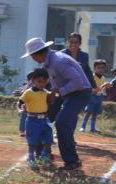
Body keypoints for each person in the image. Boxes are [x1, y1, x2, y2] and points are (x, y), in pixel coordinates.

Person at [22, 38, 91, 171]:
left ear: (37, 54)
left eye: (31, 55)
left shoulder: (58, 61)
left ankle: (72, 161)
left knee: (62, 123)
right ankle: (44, 155)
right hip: (65, 92)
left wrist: (58, 93)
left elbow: (77, 82)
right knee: (41, 115)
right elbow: (45, 81)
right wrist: (30, 96)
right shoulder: (48, 62)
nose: (32, 58)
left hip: (80, 93)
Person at [18, 68, 53, 170]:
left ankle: (43, 157)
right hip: (32, 120)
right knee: (32, 142)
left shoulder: (46, 92)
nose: (42, 84)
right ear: (33, 81)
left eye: (44, 81)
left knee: (48, 140)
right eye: (39, 81)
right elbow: (20, 102)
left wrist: (55, 92)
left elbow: (52, 98)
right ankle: (31, 158)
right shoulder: (28, 92)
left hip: (45, 120)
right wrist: (20, 109)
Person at [80, 59, 107, 133]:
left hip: (99, 96)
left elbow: (102, 88)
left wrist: (105, 87)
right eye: (99, 67)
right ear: (94, 68)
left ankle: (92, 128)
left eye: (103, 68)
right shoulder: (91, 76)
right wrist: (94, 90)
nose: (101, 69)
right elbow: (89, 86)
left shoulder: (103, 78)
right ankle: (83, 126)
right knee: (89, 111)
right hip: (92, 96)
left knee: (95, 112)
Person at [15, 71, 35, 137]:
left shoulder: (31, 85)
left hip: (33, 106)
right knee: (24, 116)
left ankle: (23, 131)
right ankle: (23, 131)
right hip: (28, 105)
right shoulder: (29, 85)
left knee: (26, 117)